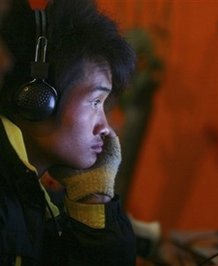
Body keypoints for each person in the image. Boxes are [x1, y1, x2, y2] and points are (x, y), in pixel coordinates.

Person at [0, 0, 137, 264]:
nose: (105, 127)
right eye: (96, 102)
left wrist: (93, 193)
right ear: (38, 99)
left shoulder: (32, 197)